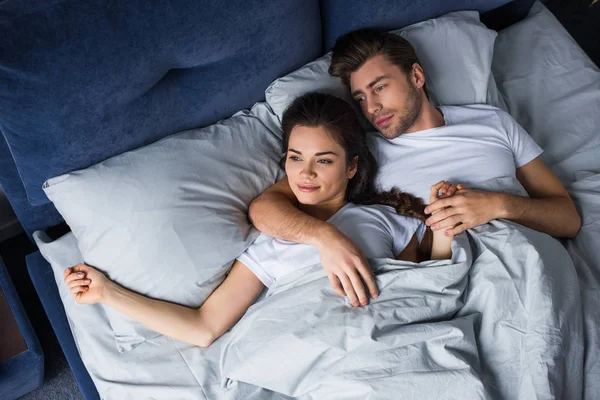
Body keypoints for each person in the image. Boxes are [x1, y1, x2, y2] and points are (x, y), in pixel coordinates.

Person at [63, 92, 458, 348]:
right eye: (295, 157)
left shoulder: (384, 218)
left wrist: (443, 228)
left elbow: (420, 288)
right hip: (316, 346)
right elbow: (204, 327)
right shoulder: (271, 243)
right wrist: (107, 293)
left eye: (324, 160)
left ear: (352, 167)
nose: (306, 174)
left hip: (391, 340)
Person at [248, 29, 581, 308]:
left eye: (379, 88)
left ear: (417, 76)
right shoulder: (360, 155)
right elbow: (265, 209)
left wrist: (498, 205)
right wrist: (325, 237)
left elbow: (567, 218)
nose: (372, 107)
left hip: (525, 257)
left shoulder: (493, 123)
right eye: (361, 97)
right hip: (454, 281)